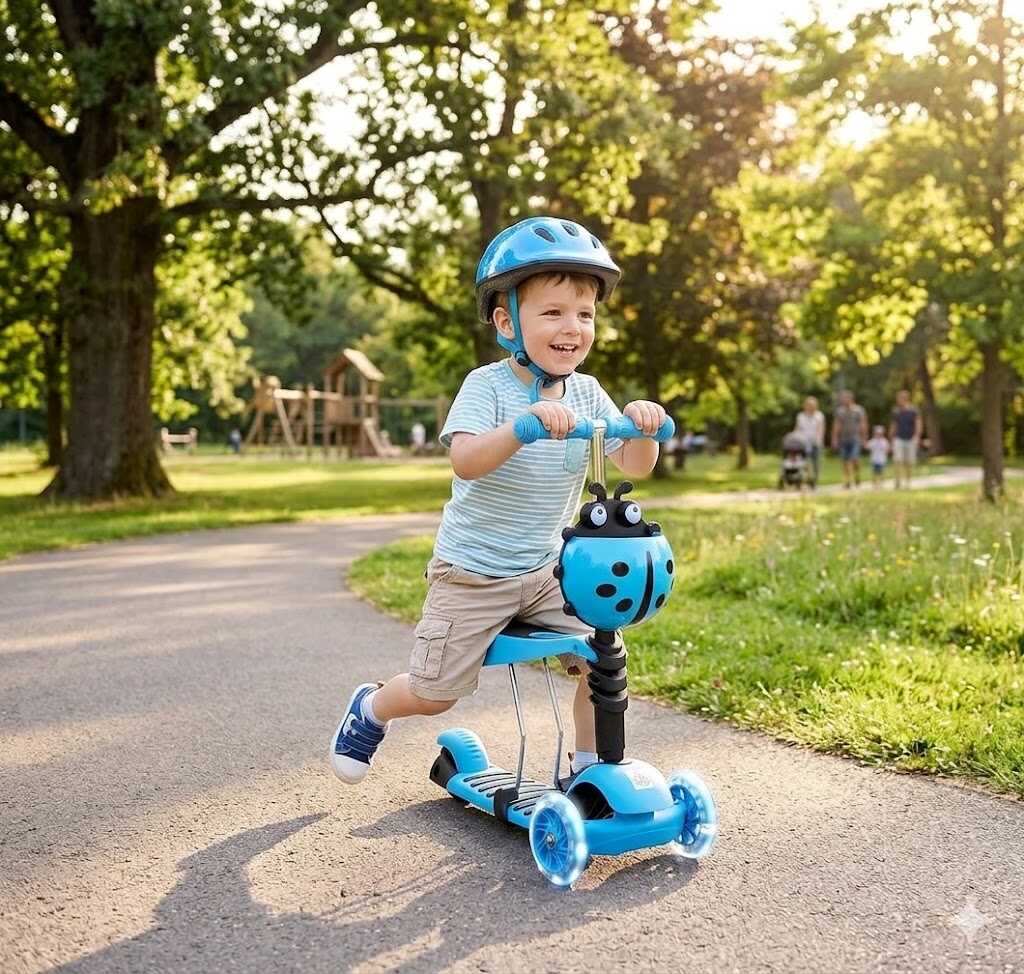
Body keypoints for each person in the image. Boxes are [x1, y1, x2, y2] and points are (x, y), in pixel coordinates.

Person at [329, 216, 668, 785]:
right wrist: (523, 427)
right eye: (554, 312)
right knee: (436, 695)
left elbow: (633, 466)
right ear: (508, 321)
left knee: (600, 656)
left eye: (584, 314)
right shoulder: (486, 387)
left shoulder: (587, 391)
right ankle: (371, 708)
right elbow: (465, 460)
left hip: (546, 572)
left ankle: (589, 771)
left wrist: (643, 431)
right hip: (473, 574)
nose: (573, 327)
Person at [831, 389, 868, 489]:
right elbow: (837, 425)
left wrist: (864, 438)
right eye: (842, 398)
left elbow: (863, 424)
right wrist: (834, 438)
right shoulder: (840, 411)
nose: (843, 400)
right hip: (843, 439)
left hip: (855, 438)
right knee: (845, 460)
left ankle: (857, 475)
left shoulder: (859, 410)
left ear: (851, 398)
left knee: (854, 459)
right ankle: (847, 481)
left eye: (845, 398)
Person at [889, 389, 923, 489]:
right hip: (898, 438)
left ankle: (908, 482)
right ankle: (897, 481)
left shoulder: (914, 410)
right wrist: (891, 438)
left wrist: (917, 436)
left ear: (905, 399)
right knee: (897, 460)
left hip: (910, 439)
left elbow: (918, 424)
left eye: (899, 399)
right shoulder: (896, 411)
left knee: (909, 461)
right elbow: (893, 425)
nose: (897, 401)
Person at [794, 395, 825, 485]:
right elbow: (797, 428)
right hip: (803, 442)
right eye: (808, 405)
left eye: (812, 405)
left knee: (816, 462)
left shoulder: (819, 415)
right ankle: (808, 477)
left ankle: (815, 479)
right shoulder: (800, 416)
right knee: (805, 461)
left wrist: (818, 438)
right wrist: (794, 436)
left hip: (816, 442)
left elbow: (820, 429)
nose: (810, 407)